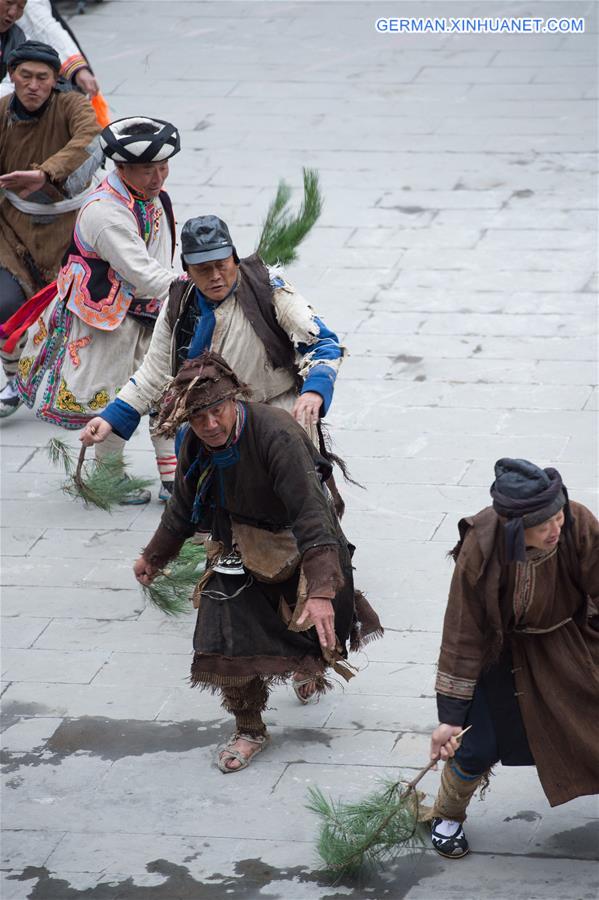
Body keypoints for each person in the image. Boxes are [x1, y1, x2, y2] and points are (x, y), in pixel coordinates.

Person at [133, 351, 381, 772]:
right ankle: (249, 727)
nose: (210, 425)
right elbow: (183, 504)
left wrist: (321, 590)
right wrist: (154, 556)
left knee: (312, 626)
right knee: (223, 634)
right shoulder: (197, 442)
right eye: (199, 417)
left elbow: (312, 517)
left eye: (217, 411)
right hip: (237, 539)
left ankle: (308, 665)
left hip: (300, 537)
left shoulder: (276, 435)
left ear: (235, 400)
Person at [79, 215, 346, 511]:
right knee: (212, 520)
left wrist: (314, 391)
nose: (215, 275)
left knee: (299, 514)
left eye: (222, 265)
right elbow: (154, 373)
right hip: (208, 426)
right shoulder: (179, 302)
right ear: (187, 270)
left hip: (273, 418)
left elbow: (323, 343)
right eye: (203, 269)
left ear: (234, 258)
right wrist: (112, 418)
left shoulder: (269, 288)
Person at [428, 458, 599, 859]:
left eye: (558, 517)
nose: (556, 528)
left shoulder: (576, 521)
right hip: (502, 654)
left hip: (569, 639)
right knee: (478, 743)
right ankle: (447, 816)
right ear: (517, 528)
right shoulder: (483, 546)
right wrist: (450, 716)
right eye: (545, 526)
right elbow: (462, 631)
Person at [12, 116, 181, 501]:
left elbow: (160, 256)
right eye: (147, 170)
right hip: (108, 322)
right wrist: (193, 289)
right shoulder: (105, 213)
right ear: (121, 168)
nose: (158, 178)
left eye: (162, 167)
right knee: (118, 399)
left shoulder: (149, 197)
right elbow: (143, 274)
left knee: (166, 391)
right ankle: (107, 477)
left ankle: (173, 479)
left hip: (149, 312)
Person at [0, 39, 100, 416]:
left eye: (43, 77)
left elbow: (90, 138)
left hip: (70, 230)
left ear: (55, 79)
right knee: (6, 304)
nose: (33, 85)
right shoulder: (1, 112)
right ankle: (15, 381)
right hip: (13, 231)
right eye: (25, 76)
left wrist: (44, 174)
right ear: (12, 76)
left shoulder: (72, 104)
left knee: (74, 312)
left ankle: (72, 383)